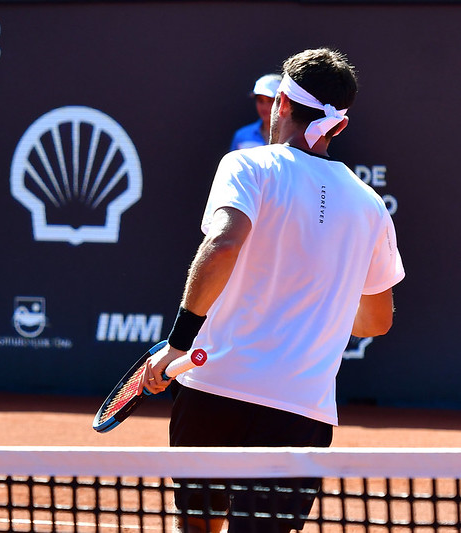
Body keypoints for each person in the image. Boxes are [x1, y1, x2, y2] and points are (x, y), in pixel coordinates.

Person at [142, 48, 404, 533]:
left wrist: (179, 343)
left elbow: (223, 245)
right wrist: (319, 295)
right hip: (301, 408)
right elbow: (376, 321)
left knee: (198, 526)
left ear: (280, 102)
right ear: (340, 125)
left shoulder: (248, 166)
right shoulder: (370, 205)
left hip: (214, 392)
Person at [229, 73, 282, 151]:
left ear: (282, 101)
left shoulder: (294, 138)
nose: (264, 107)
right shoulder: (241, 136)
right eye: (260, 100)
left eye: (270, 100)